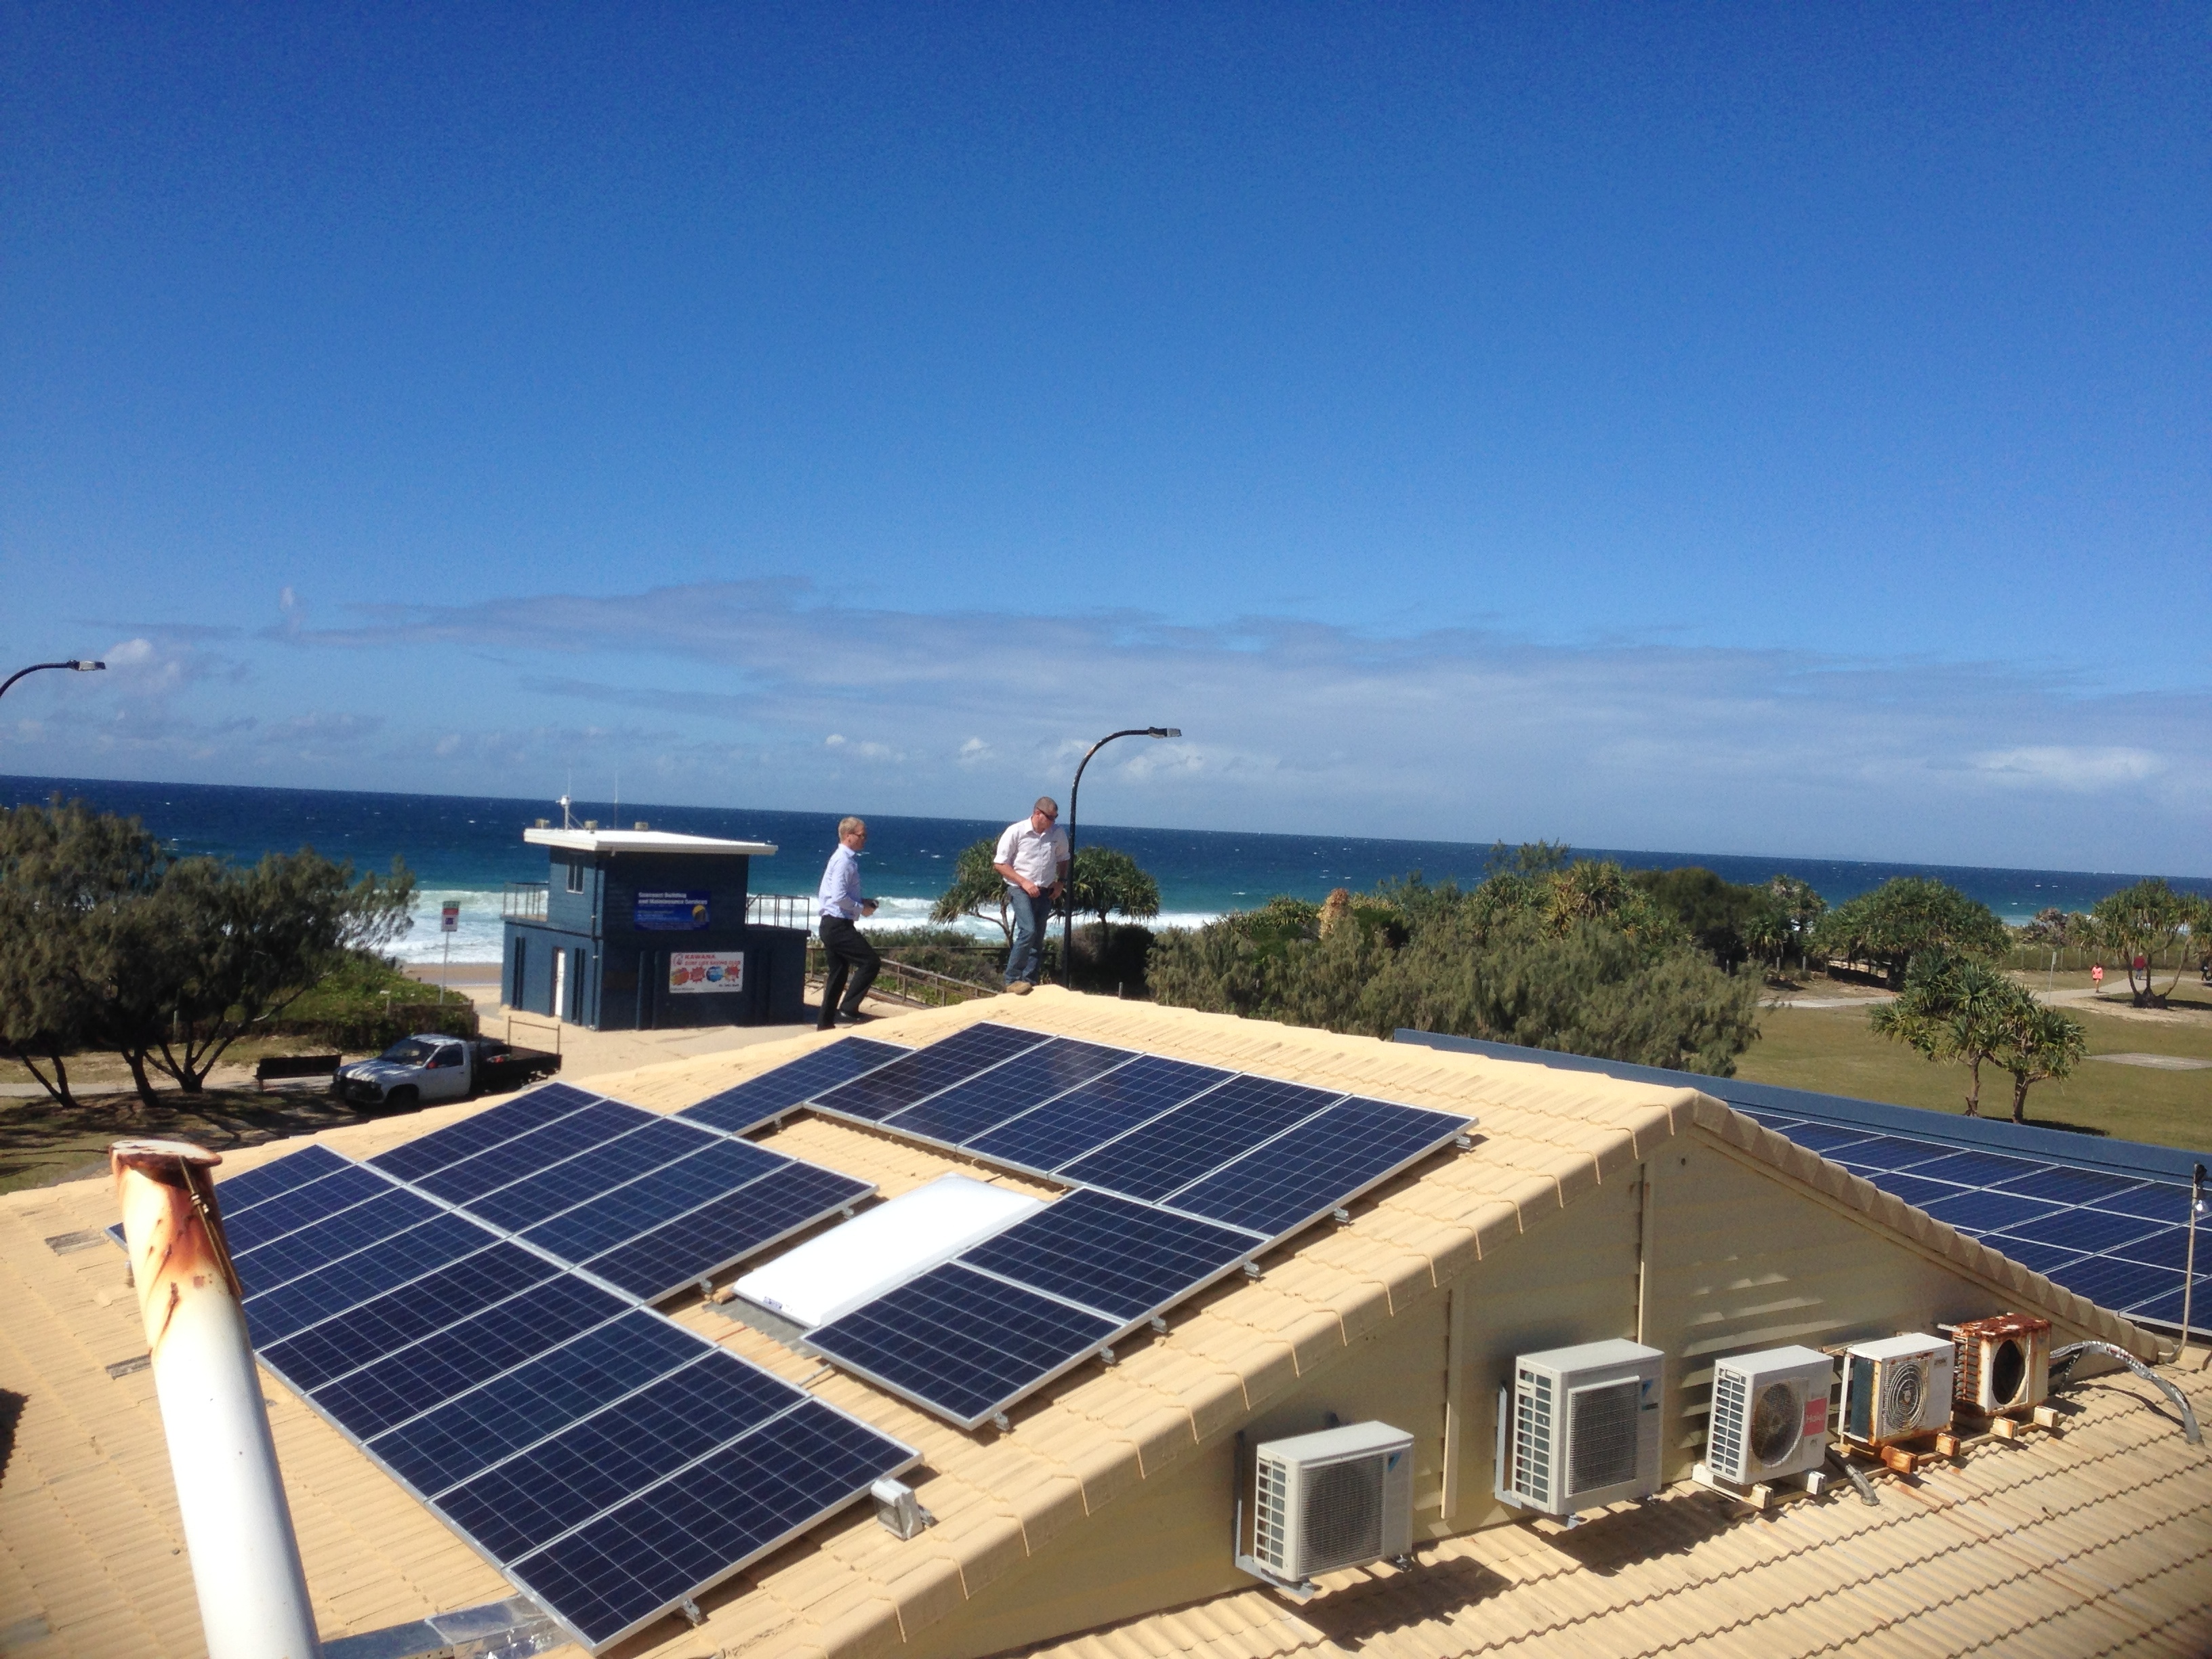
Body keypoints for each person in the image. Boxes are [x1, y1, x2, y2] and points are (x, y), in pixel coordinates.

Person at [994, 796, 1069, 993]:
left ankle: (1030, 979)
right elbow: (1000, 864)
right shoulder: (1016, 832)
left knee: (1038, 937)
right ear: (1037, 814)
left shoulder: (1057, 834)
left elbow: (1064, 858)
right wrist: (1024, 882)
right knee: (1028, 931)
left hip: (1045, 890)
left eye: (1055, 818)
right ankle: (1012, 979)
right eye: (1050, 818)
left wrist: (1061, 882)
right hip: (1019, 889)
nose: (1053, 822)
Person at [816, 816, 880, 1028]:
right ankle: (848, 1008)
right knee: (870, 962)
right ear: (849, 836)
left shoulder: (844, 859)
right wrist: (861, 909)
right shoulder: (843, 860)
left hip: (833, 923)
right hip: (837, 924)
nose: (865, 839)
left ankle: (825, 1024)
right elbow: (839, 897)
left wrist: (862, 901)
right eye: (862, 835)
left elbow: (840, 895)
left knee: (839, 973)